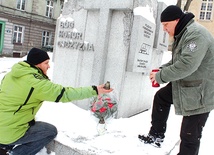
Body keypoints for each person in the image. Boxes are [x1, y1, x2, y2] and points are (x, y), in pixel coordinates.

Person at [0, 47, 113, 155]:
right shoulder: (37, 83)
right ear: (37, 64)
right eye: (46, 63)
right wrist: (95, 90)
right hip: (10, 131)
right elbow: (65, 94)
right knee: (50, 131)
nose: (49, 66)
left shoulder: (11, 75)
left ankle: (5, 145)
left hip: (3, 124)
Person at [138, 5, 214, 155]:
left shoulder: (196, 35)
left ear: (177, 20)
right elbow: (177, 61)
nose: (165, 29)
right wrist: (161, 70)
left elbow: (186, 65)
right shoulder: (184, 33)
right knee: (161, 98)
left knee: (189, 135)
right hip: (188, 85)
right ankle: (156, 136)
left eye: (166, 25)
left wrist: (161, 76)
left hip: (200, 92)